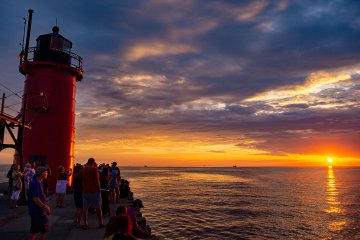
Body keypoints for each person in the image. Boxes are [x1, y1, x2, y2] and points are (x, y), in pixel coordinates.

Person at [75, 158, 104, 229]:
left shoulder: (83, 169)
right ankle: (100, 223)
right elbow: (96, 181)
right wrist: (99, 190)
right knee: (98, 207)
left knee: (85, 208)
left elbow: (76, 177)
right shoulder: (94, 170)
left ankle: (85, 224)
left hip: (85, 191)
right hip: (94, 191)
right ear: (93, 162)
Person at [28, 166, 51, 240]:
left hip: (36, 210)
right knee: (45, 227)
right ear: (41, 174)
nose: (47, 174)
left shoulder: (38, 182)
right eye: (46, 172)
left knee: (34, 229)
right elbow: (35, 199)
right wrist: (46, 208)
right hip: (37, 210)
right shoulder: (36, 183)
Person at [72, 164, 83, 228]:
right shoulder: (81, 177)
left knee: (77, 208)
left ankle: (74, 222)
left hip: (76, 193)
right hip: (80, 193)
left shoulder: (75, 176)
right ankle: (78, 223)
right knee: (80, 209)